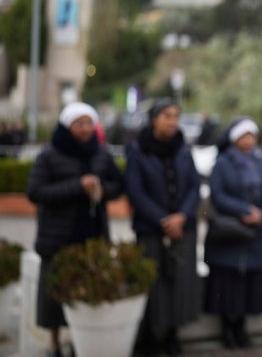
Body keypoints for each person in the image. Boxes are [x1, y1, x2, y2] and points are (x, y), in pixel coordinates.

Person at [27, 103, 123, 357]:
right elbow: (36, 192)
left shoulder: (101, 153)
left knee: (89, 288)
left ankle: (84, 341)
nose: (85, 129)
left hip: (92, 232)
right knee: (54, 292)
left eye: (89, 123)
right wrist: (76, 186)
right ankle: (55, 343)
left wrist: (101, 191)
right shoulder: (50, 154)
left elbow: (117, 184)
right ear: (67, 126)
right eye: (79, 124)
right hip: (59, 234)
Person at [125, 99, 201, 356]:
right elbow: (136, 192)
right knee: (153, 284)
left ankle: (172, 335)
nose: (172, 121)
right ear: (155, 119)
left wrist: (182, 216)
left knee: (179, 283)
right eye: (167, 116)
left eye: (176, 116)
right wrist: (164, 220)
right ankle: (150, 337)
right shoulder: (138, 150)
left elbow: (194, 186)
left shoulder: (183, 149)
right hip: (151, 230)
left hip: (183, 229)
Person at [204, 118, 262, 349]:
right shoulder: (223, 163)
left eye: (251, 136)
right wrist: (245, 210)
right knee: (228, 284)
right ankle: (227, 329)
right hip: (231, 232)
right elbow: (218, 194)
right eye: (243, 136)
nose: (248, 140)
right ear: (234, 138)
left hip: (255, 233)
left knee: (248, 284)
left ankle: (241, 329)